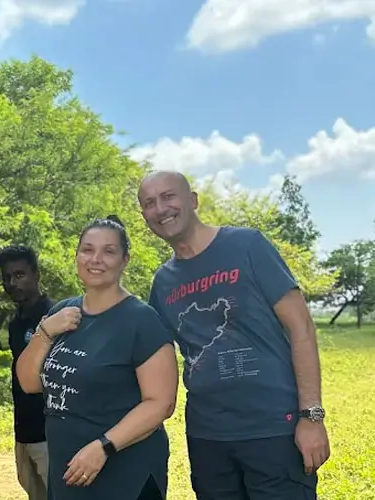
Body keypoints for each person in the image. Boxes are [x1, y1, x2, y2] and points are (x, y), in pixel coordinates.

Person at [137, 170, 330, 500]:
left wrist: (310, 417)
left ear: (193, 200)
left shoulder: (247, 245)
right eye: (149, 203)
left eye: (169, 196)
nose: (160, 208)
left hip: (273, 428)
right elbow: (153, 359)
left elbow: (301, 327)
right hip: (208, 437)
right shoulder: (163, 283)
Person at [15, 216, 178, 500]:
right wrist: (45, 331)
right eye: (88, 250)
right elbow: (29, 382)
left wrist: (103, 446)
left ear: (125, 260)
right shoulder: (63, 313)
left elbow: (161, 403)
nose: (96, 259)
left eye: (109, 251)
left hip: (124, 470)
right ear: (77, 255)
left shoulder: (142, 321)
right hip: (68, 468)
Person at [0, 245, 53, 500]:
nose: (12, 283)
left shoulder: (55, 317)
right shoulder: (16, 323)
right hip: (23, 432)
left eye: (19, 275)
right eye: (7, 277)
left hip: (51, 434)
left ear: (36, 275)